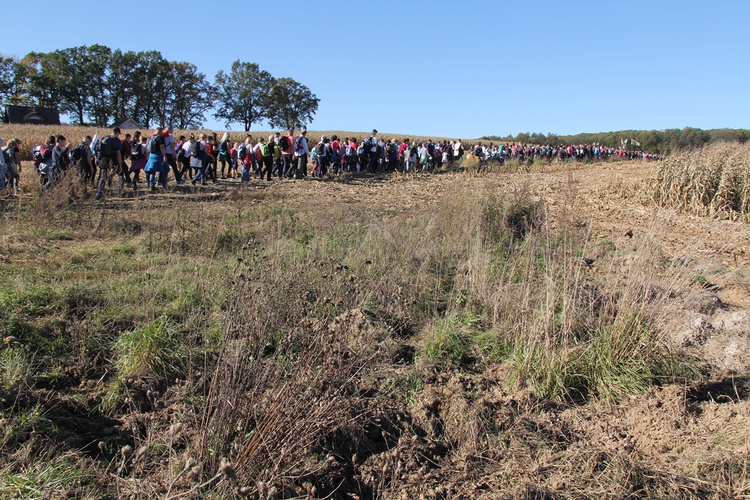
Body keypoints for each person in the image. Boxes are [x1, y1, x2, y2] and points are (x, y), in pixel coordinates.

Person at [96, 128, 124, 200]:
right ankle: (119, 191)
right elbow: (118, 153)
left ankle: (99, 192)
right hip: (113, 159)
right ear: (117, 133)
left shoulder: (104, 138)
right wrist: (120, 165)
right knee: (120, 174)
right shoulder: (116, 140)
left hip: (103, 159)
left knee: (103, 175)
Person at [144, 127, 167, 191]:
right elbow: (162, 147)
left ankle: (150, 184)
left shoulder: (151, 137)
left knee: (150, 170)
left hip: (151, 154)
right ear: (160, 131)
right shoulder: (160, 137)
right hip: (158, 155)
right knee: (162, 170)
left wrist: (148, 155)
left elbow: (147, 148)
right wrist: (164, 156)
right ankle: (163, 185)